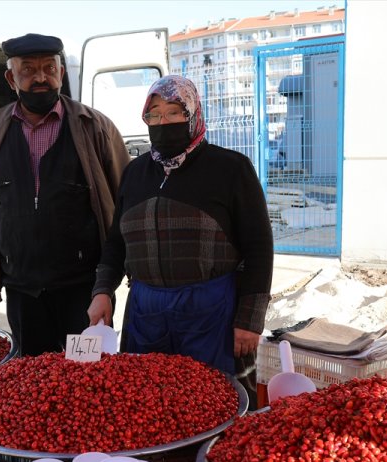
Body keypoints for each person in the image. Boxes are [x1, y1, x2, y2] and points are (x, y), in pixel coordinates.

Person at [87, 74, 274, 376]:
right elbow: (116, 244)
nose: (164, 122)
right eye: (155, 114)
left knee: (211, 399)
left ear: (193, 113)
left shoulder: (230, 169)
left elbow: (259, 249)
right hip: (146, 311)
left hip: (210, 311)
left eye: (174, 112)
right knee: (147, 399)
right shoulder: (135, 173)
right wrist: (102, 291)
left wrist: (249, 321)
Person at [0, 33, 130, 356]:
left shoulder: (94, 128)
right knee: (34, 386)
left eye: (49, 67)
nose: (41, 77)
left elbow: (126, 199)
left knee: (89, 383)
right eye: (28, 70)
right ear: (11, 78)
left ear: (61, 72)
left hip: (84, 291)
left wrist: (114, 278)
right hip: (22, 291)